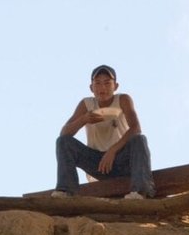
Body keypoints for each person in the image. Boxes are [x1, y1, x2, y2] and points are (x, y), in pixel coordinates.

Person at [53, 65, 155, 199]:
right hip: (97, 164)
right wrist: (83, 119)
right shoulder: (86, 104)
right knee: (63, 142)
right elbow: (64, 133)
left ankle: (141, 191)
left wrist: (112, 150)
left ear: (116, 86)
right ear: (91, 88)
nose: (103, 88)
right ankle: (66, 191)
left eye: (107, 83)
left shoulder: (122, 99)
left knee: (139, 139)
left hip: (120, 159)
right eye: (98, 83)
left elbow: (136, 128)